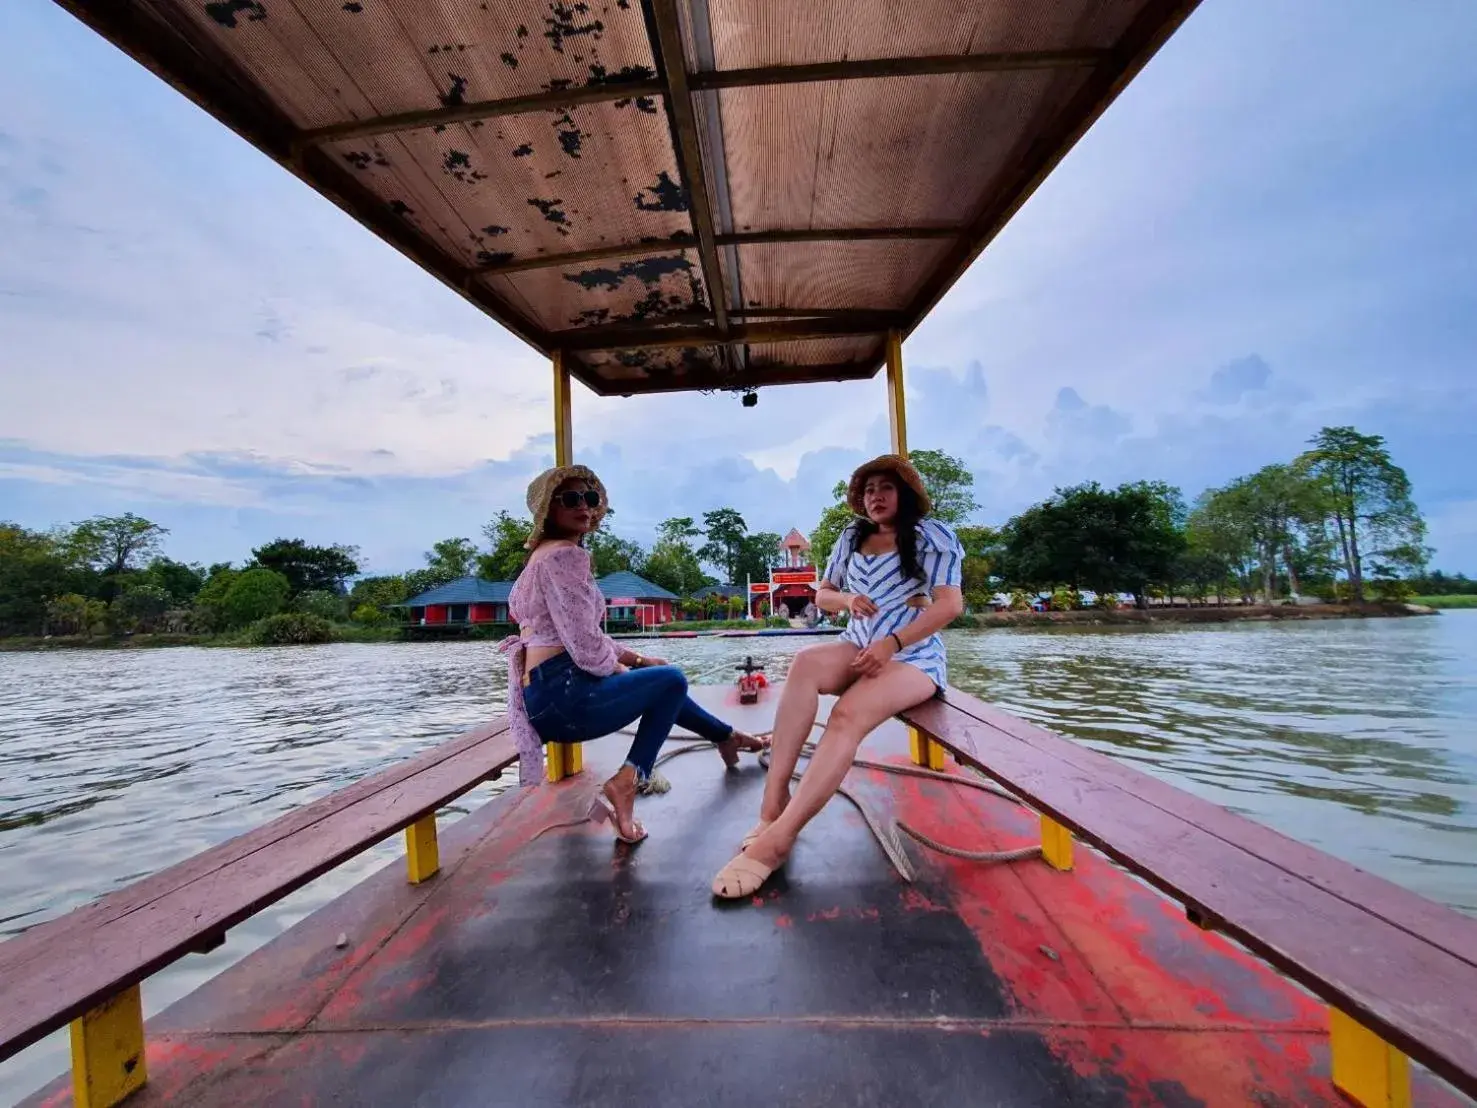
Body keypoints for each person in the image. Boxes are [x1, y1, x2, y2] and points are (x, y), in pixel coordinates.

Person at [711, 454, 965, 897]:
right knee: (805, 662)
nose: (875, 497)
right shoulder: (852, 537)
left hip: (913, 657)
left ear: (905, 493)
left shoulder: (930, 537)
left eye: (886, 487)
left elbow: (949, 605)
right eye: (868, 490)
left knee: (847, 715)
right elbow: (822, 593)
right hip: (858, 643)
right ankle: (772, 806)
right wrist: (848, 601)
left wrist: (893, 644)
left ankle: (778, 841)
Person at [502, 465, 767, 844]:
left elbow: (580, 641)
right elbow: (586, 647)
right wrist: (639, 662)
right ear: (549, 510)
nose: (585, 507)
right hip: (564, 698)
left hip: (544, 697)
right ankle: (628, 781)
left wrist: (633, 664)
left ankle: (726, 736)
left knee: (658, 683)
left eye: (590, 499)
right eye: (571, 499)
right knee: (670, 679)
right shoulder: (564, 557)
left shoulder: (541, 557)